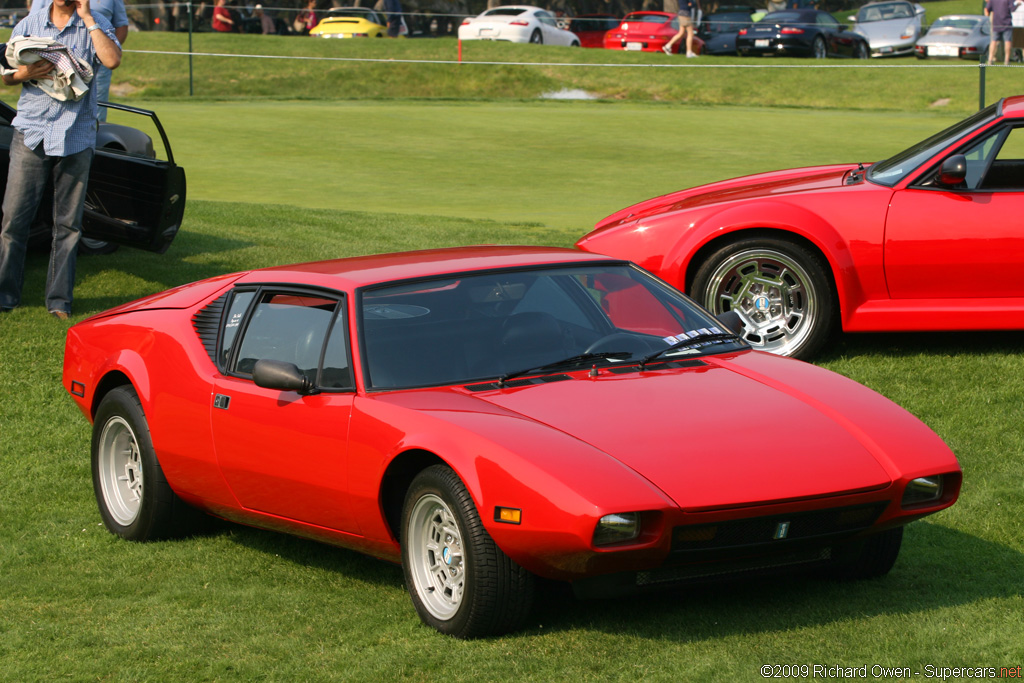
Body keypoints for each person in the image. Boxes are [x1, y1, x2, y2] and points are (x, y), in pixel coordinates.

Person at [0, 0, 121, 319]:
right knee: (14, 221)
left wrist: (89, 19)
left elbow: (112, 59)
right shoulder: (30, 23)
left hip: (77, 136)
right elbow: (7, 76)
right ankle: (5, 296)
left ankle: (58, 302)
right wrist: (24, 72)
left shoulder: (94, 24)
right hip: (31, 132)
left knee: (68, 225)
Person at [30, 0, 126, 121]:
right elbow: (32, 27)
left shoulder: (100, 18)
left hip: (97, 65)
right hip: (51, 68)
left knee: (96, 111)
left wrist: (104, 50)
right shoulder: (30, 21)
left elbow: (121, 25)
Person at [985, 0, 1022, 64]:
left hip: (996, 23)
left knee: (993, 41)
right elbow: (1012, 9)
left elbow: (987, 9)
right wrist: (1018, 4)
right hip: (1007, 24)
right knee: (1007, 42)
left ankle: (990, 59)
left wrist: (987, 16)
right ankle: (1006, 60)